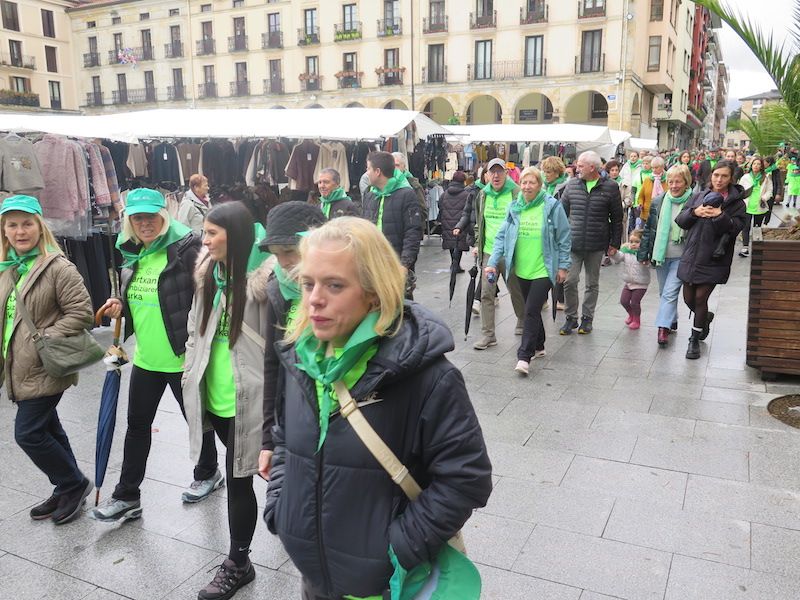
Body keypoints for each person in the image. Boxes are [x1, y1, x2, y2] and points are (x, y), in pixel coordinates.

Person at [263, 217, 492, 600]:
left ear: (373, 293)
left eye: (334, 285)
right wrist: (282, 510)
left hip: (386, 588)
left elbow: (467, 477)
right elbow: (285, 437)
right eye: (308, 283)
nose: (314, 298)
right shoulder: (301, 359)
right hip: (316, 580)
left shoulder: (429, 377)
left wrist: (395, 550)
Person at [93, 188, 221, 523]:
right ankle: (127, 496)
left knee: (197, 421)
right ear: (129, 222)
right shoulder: (133, 254)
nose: (145, 223)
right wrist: (121, 305)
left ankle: (209, 471)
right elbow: (139, 302)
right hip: (146, 360)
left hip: (181, 358)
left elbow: (210, 296)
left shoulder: (188, 249)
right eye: (137, 218)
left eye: (151, 216)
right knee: (137, 426)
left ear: (164, 215)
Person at [182, 202, 275, 600]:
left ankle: (239, 561)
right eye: (204, 232)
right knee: (240, 470)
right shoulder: (208, 274)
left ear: (234, 235)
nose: (204, 240)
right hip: (213, 393)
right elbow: (193, 328)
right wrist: (190, 367)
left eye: (212, 233)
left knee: (239, 480)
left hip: (248, 399)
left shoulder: (266, 284)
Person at [0, 195, 94, 524]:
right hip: (18, 368)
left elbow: (82, 314)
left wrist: (44, 337)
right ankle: (64, 487)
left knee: (28, 433)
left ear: (40, 227)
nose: (20, 231)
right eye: (13, 225)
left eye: (27, 223)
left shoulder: (57, 267)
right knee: (48, 429)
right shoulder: (6, 267)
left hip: (45, 365)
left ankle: (73, 483)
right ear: (4, 230)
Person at [260, 201, 326, 482]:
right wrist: (267, 440)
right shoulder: (277, 289)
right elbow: (272, 363)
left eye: (289, 251)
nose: (283, 261)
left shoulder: (354, 293)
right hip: (297, 415)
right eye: (276, 254)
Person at [485, 167, 570, 376]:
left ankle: (524, 356)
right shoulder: (514, 208)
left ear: (540, 185)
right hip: (520, 269)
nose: (527, 187)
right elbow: (501, 238)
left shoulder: (551, 206)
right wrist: (493, 262)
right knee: (530, 309)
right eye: (524, 182)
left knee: (531, 310)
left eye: (532, 183)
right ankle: (539, 345)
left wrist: (563, 266)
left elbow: (564, 237)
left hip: (543, 268)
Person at [676, 160, 747, 359]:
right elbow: (681, 220)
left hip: (715, 257)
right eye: (716, 175)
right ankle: (704, 318)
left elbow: (736, 229)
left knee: (700, 298)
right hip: (692, 255)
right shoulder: (699, 196)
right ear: (711, 176)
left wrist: (720, 215)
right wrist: (694, 212)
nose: (719, 179)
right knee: (688, 299)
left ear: (731, 178)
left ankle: (694, 339)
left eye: (724, 176)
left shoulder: (737, 203)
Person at [454, 157, 525, 348]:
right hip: (489, 254)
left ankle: (523, 319)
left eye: (499, 171)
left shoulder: (516, 193)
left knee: (515, 290)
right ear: (486, 175)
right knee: (486, 293)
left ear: (506, 174)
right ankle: (488, 335)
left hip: (510, 253)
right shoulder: (482, 195)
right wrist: (478, 243)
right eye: (492, 172)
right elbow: (478, 221)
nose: (496, 175)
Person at [559, 151, 623, 335]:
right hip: (573, 243)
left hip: (596, 243)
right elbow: (562, 215)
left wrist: (614, 243)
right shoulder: (571, 186)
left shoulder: (610, 187)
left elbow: (617, 218)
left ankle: (587, 319)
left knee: (592, 283)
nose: (576, 168)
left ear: (592, 167)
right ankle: (571, 317)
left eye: (580, 166)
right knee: (570, 281)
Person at [638, 164, 693, 346]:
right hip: (661, 255)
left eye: (678, 181)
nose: (674, 185)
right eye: (671, 182)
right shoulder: (659, 201)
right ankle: (672, 318)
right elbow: (649, 229)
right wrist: (643, 252)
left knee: (669, 292)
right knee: (664, 292)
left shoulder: (694, 201)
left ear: (686, 182)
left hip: (682, 256)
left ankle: (663, 328)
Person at [361, 151, 423, 299]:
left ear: (377, 172)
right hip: (373, 264)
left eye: (368, 169)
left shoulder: (406, 194)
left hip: (396, 264)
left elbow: (413, 232)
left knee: (399, 308)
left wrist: (404, 264)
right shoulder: (370, 194)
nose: (366, 173)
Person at [609, 229, 650, 330]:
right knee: (624, 301)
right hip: (629, 282)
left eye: (637, 242)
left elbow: (649, 262)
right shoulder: (627, 252)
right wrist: (614, 253)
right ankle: (631, 314)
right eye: (631, 241)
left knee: (635, 302)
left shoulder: (644, 254)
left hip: (641, 283)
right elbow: (619, 257)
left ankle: (637, 319)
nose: (633, 244)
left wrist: (647, 261)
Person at [738, 156, 772, 258]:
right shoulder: (745, 177)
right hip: (747, 206)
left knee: (757, 228)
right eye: (754, 164)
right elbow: (740, 190)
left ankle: (757, 248)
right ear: (751, 165)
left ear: (762, 166)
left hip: (759, 206)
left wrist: (764, 197)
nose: (756, 166)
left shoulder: (766, 177)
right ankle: (745, 247)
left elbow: (770, 191)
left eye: (758, 164)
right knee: (746, 227)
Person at [440, 171, 473, 272]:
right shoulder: (466, 195)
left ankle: (453, 263)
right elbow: (468, 210)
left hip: (447, 221)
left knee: (451, 242)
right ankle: (456, 264)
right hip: (460, 223)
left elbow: (440, 206)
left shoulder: (444, 194)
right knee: (459, 243)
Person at [392, 152, 428, 223]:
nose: (395, 169)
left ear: (404, 166)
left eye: (397, 165)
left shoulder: (414, 186)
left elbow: (422, 212)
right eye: (392, 165)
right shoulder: (386, 185)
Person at [636, 156, 667, 229]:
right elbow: (641, 196)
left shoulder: (668, 179)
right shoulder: (648, 179)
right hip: (646, 215)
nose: (654, 170)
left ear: (662, 167)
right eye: (652, 167)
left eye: (656, 168)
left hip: (661, 215)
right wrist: (640, 204)